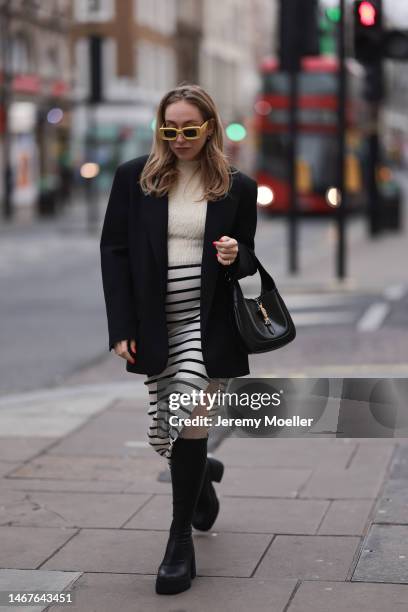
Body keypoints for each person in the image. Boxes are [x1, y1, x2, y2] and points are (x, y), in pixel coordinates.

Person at [100, 83, 258, 595]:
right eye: (170, 129)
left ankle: (178, 545)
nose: (180, 138)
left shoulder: (237, 186)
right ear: (160, 128)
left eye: (190, 128)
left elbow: (250, 262)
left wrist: (237, 254)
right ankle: (202, 478)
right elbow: (115, 252)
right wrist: (121, 327)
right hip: (156, 322)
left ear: (208, 126)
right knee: (180, 427)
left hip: (207, 320)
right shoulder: (135, 178)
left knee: (186, 412)